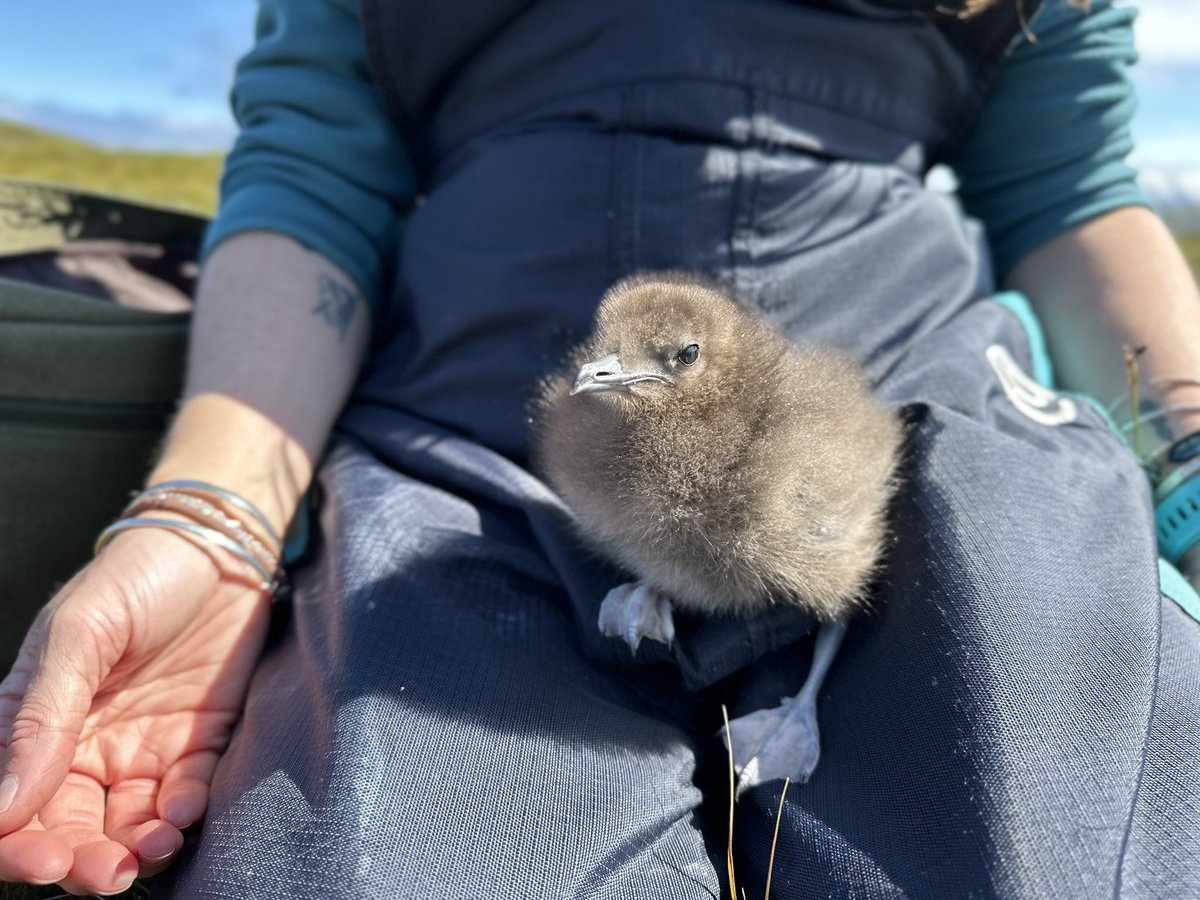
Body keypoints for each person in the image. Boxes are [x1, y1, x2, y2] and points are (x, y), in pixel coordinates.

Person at [2, 0, 1199, 895]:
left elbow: (1069, 186)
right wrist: (212, 521)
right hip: (461, 450)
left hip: (910, 426)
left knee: (1074, 835)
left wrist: (1190, 463)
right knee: (375, 862)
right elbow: (315, 168)